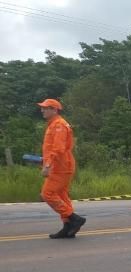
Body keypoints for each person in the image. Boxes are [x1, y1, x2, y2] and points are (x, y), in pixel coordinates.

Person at [37, 98, 86, 239]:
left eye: (46, 108)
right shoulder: (53, 124)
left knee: (48, 194)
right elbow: (52, 149)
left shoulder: (59, 125)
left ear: (54, 110)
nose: (42, 110)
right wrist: (45, 161)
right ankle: (68, 227)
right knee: (62, 197)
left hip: (61, 167)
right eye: (42, 108)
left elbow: (58, 149)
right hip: (59, 166)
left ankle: (74, 218)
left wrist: (47, 165)